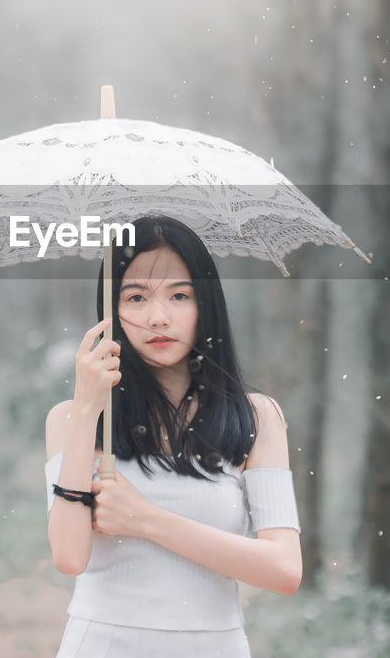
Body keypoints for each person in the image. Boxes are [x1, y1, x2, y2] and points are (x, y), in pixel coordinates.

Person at [44, 215, 302, 657]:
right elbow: (69, 557)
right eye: (136, 297)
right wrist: (87, 408)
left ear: (206, 304)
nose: (157, 317)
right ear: (111, 309)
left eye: (179, 295)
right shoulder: (72, 418)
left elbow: (284, 569)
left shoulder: (255, 417)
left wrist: (147, 520)